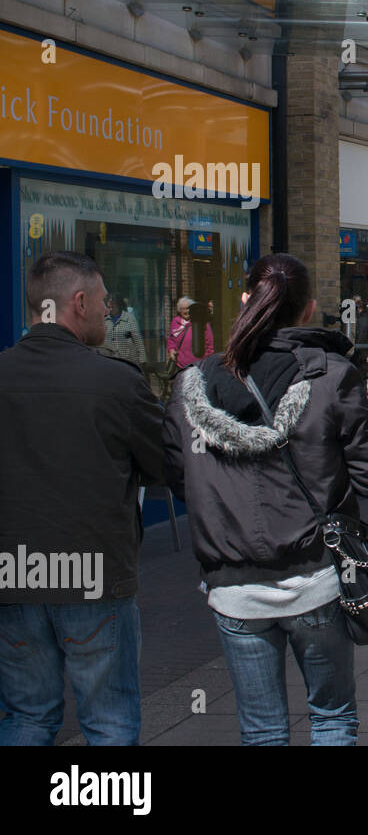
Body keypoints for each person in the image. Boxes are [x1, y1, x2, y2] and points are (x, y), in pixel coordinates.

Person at [162, 254, 368, 746]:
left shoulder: (191, 385)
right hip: (315, 578)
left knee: (262, 730)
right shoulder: (330, 375)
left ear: (245, 300)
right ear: (308, 310)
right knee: (331, 719)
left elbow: (180, 478)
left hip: (233, 585)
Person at [0, 252, 165, 746]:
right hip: (92, 576)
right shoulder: (116, 382)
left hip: (13, 574)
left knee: (27, 718)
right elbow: (165, 466)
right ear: (77, 302)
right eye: (102, 300)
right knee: (109, 721)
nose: (106, 309)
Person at [168, 296, 215, 371]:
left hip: (199, 365)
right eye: (183, 309)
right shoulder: (175, 322)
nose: (186, 311)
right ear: (179, 310)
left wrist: (207, 361)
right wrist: (171, 350)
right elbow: (171, 340)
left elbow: (209, 344)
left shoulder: (201, 322)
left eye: (188, 308)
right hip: (180, 366)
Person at [100, 293, 146, 367]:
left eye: (113, 306)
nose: (110, 309)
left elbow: (138, 340)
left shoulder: (129, 318)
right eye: (108, 307)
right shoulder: (104, 319)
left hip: (128, 361)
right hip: (110, 362)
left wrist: (142, 360)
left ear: (119, 305)